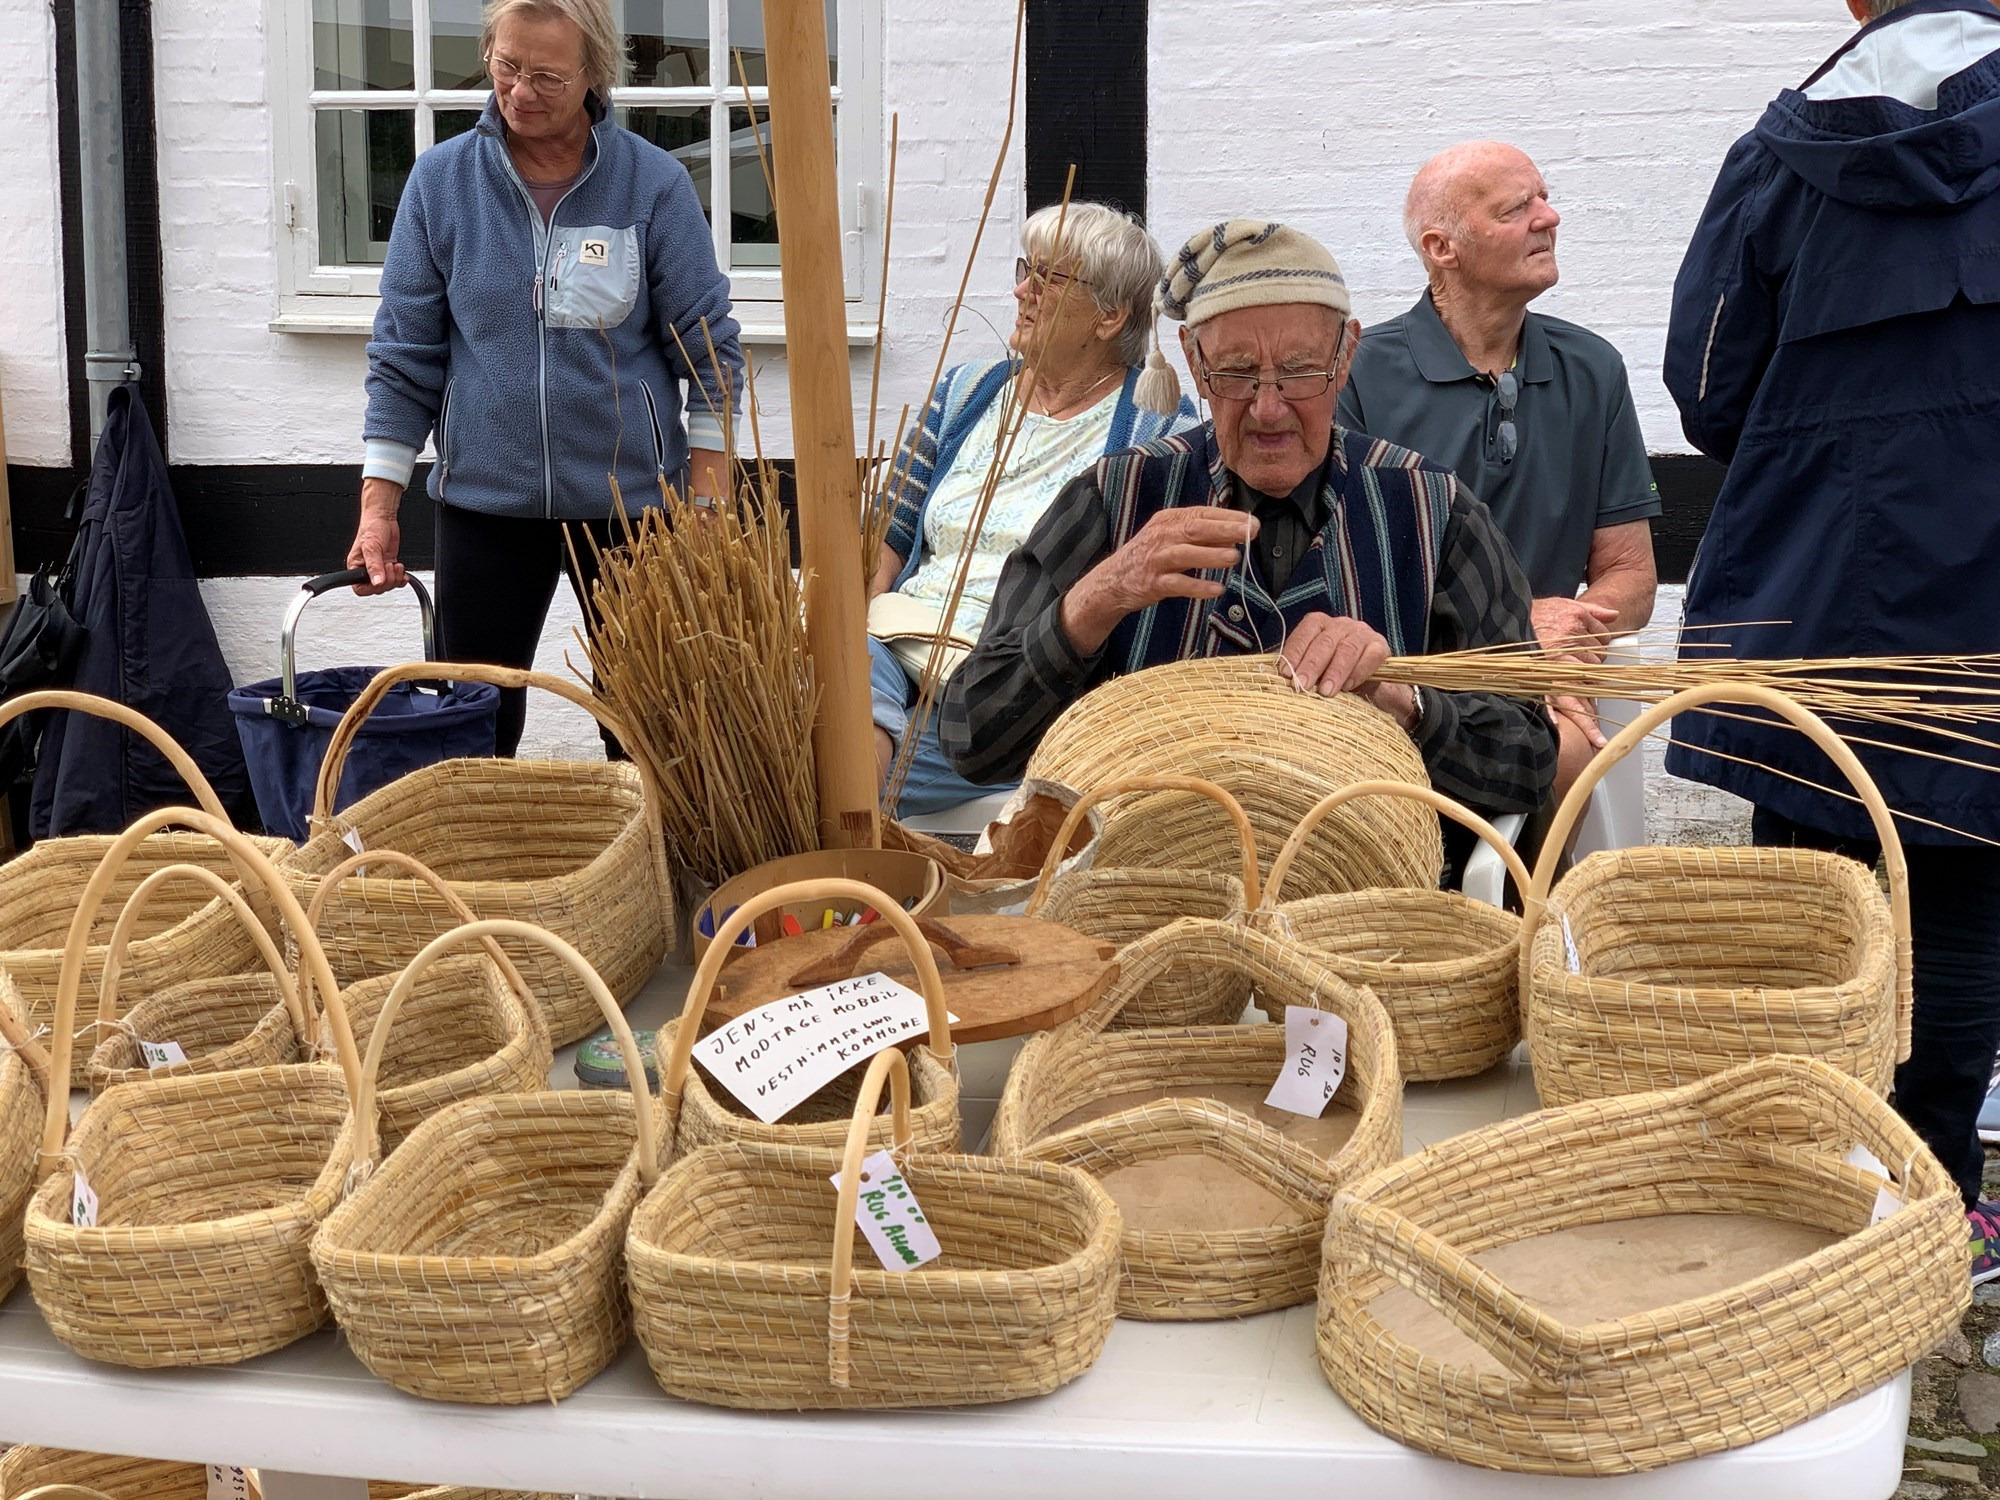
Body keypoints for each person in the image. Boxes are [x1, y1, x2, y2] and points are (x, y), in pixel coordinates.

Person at [1663, 0, 2000, 1276]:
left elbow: (1706, 389)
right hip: (1980, 609)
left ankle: (1812, 1199)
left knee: (1809, 907)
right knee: (1965, 902)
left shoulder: (1774, 156)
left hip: (1812, 589)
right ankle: (1935, 1208)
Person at [942, 220, 1557, 823]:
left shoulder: (1431, 508)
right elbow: (972, 737)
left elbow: (1531, 760)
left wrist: (1405, 703)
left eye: (1300, 370)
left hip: (1371, 907)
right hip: (1144, 894)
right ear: (1193, 362)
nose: (1268, 408)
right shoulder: (1117, 496)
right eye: (1235, 373)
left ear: (1346, 357)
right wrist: (1093, 603)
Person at [352, 0, 743, 755]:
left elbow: (712, 355)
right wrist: (378, 507)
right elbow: (403, 356)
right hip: (483, 507)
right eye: (505, 68)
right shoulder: (441, 184)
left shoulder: (652, 186)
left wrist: (706, 502)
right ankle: (480, 873)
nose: (519, 92)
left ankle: (648, 872)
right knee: (473, 732)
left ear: (594, 75)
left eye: (546, 78)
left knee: (647, 737)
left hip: (632, 512)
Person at [1340, 141, 1660, 795]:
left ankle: (1531, 900)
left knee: (1566, 754)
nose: (1550, 218)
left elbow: (1632, 576)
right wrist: (1519, 636)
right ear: (1442, 248)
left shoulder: (1593, 369)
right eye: (1517, 208)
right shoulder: (1360, 375)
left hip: (1541, 686)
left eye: (1544, 197)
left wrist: (1568, 633)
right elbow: (1348, 583)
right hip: (1402, 689)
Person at [869, 203, 1197, 815]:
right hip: (893, 646)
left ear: (1110, 316)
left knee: (830, 754)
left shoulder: (1156, 430)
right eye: (1026, 268)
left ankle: (848, 815)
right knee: (849, 676)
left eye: (1048, 277)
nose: (1022, 289)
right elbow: (893, 534)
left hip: (1009, 680)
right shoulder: (966, 391)